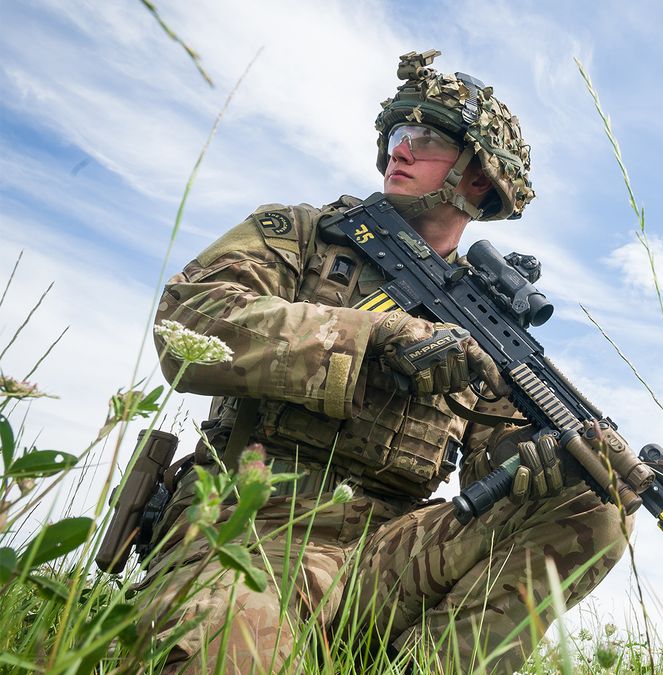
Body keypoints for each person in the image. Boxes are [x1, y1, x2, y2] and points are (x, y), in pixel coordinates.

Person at [135, 50, 629, 674]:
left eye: (423, 139)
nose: (398, 151)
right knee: (229, 650)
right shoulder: (307, 236)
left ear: (478, 179)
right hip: (249, 530)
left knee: (594, 504)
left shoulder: (487, 325)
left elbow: (492, 461)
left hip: (389, 556)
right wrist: (369, 339)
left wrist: (549, 459)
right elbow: (186, 324)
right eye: (398, 134)